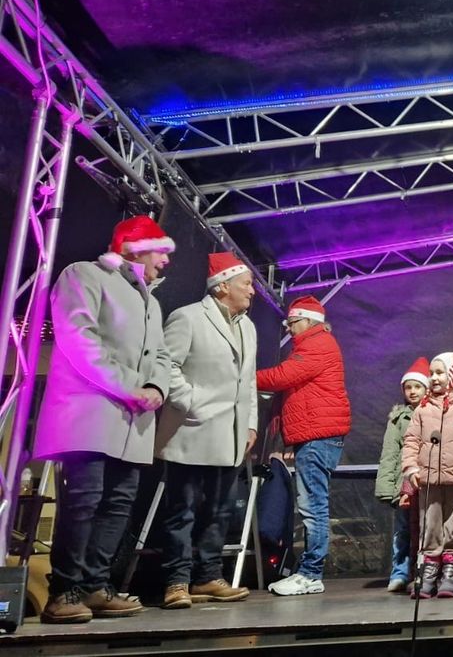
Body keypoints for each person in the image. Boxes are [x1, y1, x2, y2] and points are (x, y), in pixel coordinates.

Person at [35, 216, 174, 624]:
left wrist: (157, 388)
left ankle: (96, 584)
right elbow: (78, 336)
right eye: (160, 251)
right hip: (91, 411)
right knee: (84, 501)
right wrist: (130, 387)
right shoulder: (84, 274)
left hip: (133, 421)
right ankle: (64, 591)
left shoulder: (151, 300)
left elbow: (162, 356)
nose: (166, 262)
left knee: (118, 503)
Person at [153, 252, 258, 609]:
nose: (253, 291)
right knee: (181, 510)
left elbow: (249, 382)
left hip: (229, 436)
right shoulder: (188, 317)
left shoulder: (248, 326)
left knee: (219, 510)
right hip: (191, 431)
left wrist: (250, 424)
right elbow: (166, 365)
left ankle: (208, 576)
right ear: (223, 286)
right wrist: (190, 400)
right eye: (247, 284)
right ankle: (176, 581)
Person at [257, 295, 352, 596]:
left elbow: (283, 376)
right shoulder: (313, 344)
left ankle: (310, 574)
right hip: (314, 435)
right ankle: (310, 573)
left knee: (313, 508)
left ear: (309, 321)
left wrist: (243, 377)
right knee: (312, 505)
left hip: (317, 436)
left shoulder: (317, 344)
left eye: (292, 322)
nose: (289, 328)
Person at [400, 350, 453, 598]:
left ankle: (450, 574)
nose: (434, 378)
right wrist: (411, 468)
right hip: (428, 480)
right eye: (432, 374)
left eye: (440, 373)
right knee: (430, 527)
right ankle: (428, 575)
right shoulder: (423, 409)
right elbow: (411, 441)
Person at [374, 357, 429, 592]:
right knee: (402, 530)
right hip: (403, 484)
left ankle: (423, 573)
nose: (412, 391)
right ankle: (400, 572)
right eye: (408, 387)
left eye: (417, 386)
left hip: (425, 484)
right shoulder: (398, 419)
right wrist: (387, 488)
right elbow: (389, 454)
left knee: (425, 530)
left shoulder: (432, 414)